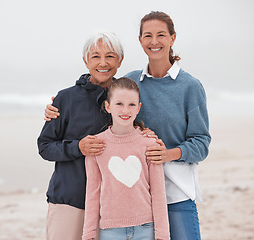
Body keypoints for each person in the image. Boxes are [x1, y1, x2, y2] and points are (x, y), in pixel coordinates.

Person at [44, 11, 211, 240]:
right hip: (112, 199)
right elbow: (102, 85)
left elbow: (201, 143)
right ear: (140, 40)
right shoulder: (132, 81)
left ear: (173, 38)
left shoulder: (188, 86)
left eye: (161, 35)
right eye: (148, 35)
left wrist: (165, 152)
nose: (154, 41)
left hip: (174, 192)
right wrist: (58, 106)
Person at [37, 31, 124, 240]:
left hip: (114, 203)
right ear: (86, 61)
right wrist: (78, 147)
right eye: (95, 56)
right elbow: (45, 146)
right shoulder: (65, 98)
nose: (103, 62)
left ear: (120, 61)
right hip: (70, 199)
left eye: (110, 56)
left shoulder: (126, 98)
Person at [82, 77, 170, 240]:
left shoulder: (150, 143)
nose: (125, 110)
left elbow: (158, 191)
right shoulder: (96, 145)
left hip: (145, 228)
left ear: (138, 108)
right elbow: (92, 192)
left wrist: (162, 234)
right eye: (119, 104)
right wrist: (88, 233)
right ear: (108, 106)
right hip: (110, 231)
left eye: (131, 105)